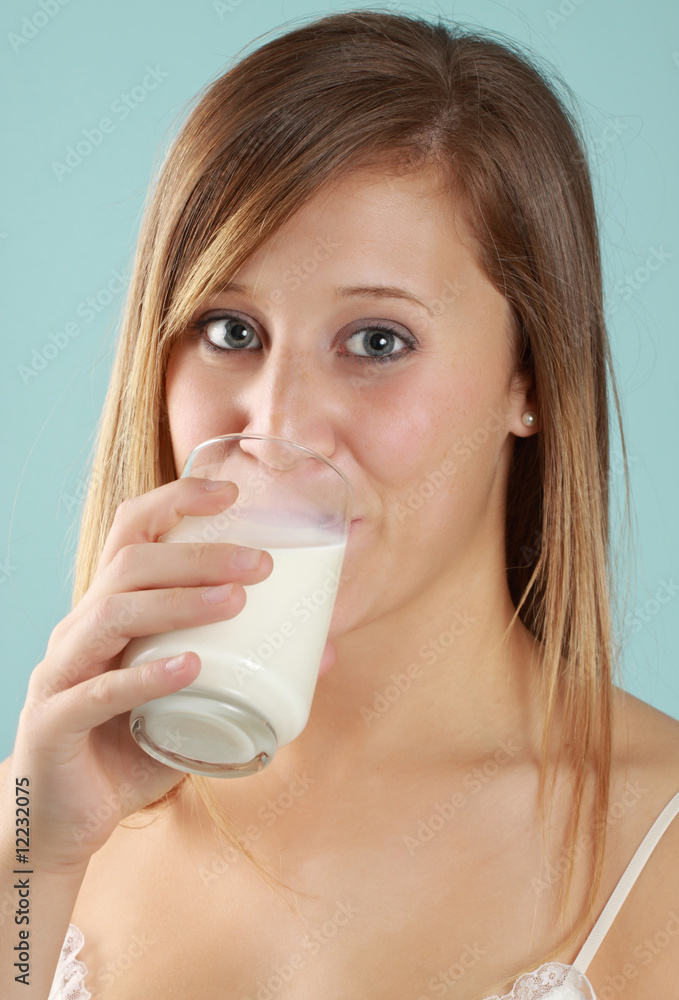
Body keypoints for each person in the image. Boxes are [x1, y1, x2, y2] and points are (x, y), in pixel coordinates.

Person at [2, 8, 678, 999]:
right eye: (230, 330)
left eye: (376, 342)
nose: (278, 425)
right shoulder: (50, 810)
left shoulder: (658, 837)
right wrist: (33, 860)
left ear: (528, 379)